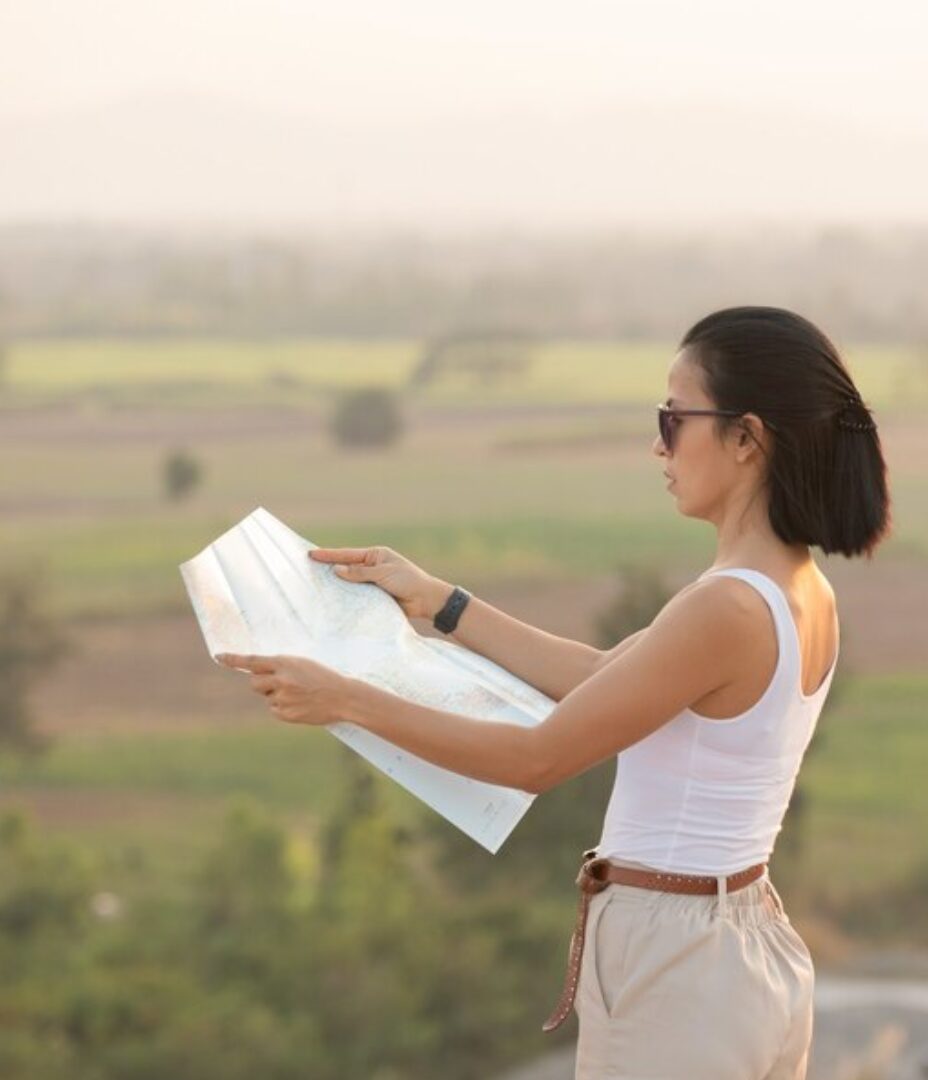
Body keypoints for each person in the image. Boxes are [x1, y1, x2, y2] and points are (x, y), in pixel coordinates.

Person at [218, 305, 892, 1079]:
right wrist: (442, 603)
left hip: (676, 961)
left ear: (746, 437)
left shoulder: (726, 607)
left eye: (673, 419)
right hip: (743, 947)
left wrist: (345, 700)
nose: (657, 444)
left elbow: (536, 758)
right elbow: (603, 677)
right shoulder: (795, 589)